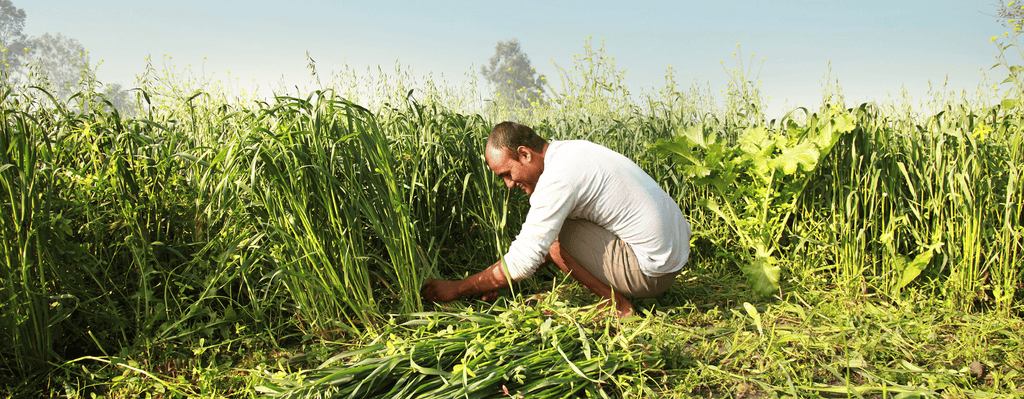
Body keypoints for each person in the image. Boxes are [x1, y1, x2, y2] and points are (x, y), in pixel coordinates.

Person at [421, 121, 691, 317]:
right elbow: (531, 255)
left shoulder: (557, 179)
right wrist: (494, 281)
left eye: (507, 173)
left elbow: (526, 258)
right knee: (552, 235)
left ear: (525, 154)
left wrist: (458, 289)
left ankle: (618, 306)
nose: (508, 184)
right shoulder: (570, 152)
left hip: (652, 273)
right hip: (670, 258)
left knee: (554, 239)